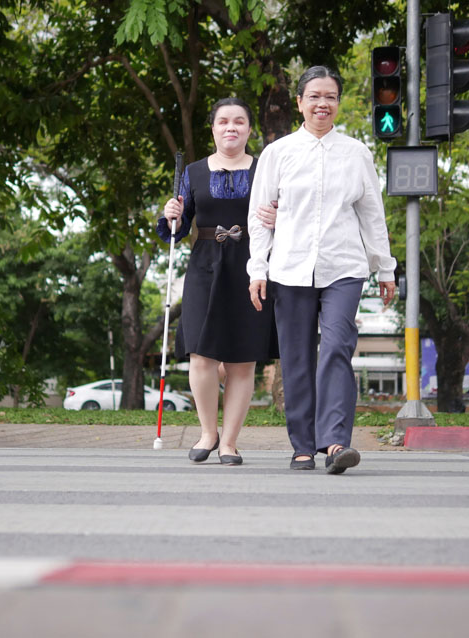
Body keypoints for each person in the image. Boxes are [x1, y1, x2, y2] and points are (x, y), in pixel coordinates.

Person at [247, 66, 397, 474]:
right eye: (314, 96)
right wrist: (257, 269)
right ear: (299, 102)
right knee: (296, 358)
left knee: (335, 348)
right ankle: (301, 445)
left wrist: (385, 269)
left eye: (330, 96)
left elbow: (372, 215)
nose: (322, 104)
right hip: (290, 267)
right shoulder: (278, 154)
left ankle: (334, 443)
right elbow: (259, 218)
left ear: (338, 103)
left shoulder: (356, 154)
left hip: (343, 266)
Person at [158, 97, 279, 466]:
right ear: (212, 128)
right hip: (204, 266)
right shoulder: (192, 172)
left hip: (252, 268)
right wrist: (170, 215)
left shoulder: (265, 170)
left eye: (239, 121)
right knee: (201, 353)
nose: (231, 127)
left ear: (248, 129)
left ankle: (230, 442)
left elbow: (287, 218)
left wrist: (280, 217)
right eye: (223, 121)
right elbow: (175, 231)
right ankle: (208, 432)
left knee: (243, 359)